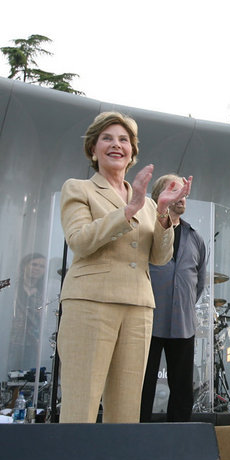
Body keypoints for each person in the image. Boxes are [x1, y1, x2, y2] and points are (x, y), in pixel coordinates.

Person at [57, 111, 192, 423]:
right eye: (107, 138)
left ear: (132, 152)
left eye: (124, 140)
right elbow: (79, 240)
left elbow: (159, 258)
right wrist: (127, 211)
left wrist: (162, 214)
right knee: (81, 404)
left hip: (138, 308)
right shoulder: (78, 189)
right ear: (93, 149)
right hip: (89, 303)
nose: (116, 144)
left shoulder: (146, 202)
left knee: (127, 409)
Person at [140, 174, 207, 423]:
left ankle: (178, 439)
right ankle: (138, 439)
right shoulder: (146, 231)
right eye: (176, 192)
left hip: (183, 324)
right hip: (148, 322)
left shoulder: (194, 237)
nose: (183, 199)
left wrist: (182, 303)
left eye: (185, 195)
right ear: (160, 196)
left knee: (182, 390)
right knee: (142, 386)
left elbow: (199, 281)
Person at [8, 253, 46, 370]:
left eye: (41, 266)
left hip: (33, 344)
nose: (37, 269)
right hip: (12, 340)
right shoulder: (13, 289)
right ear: (25, 265)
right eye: (34, 264)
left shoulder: (44, 293)